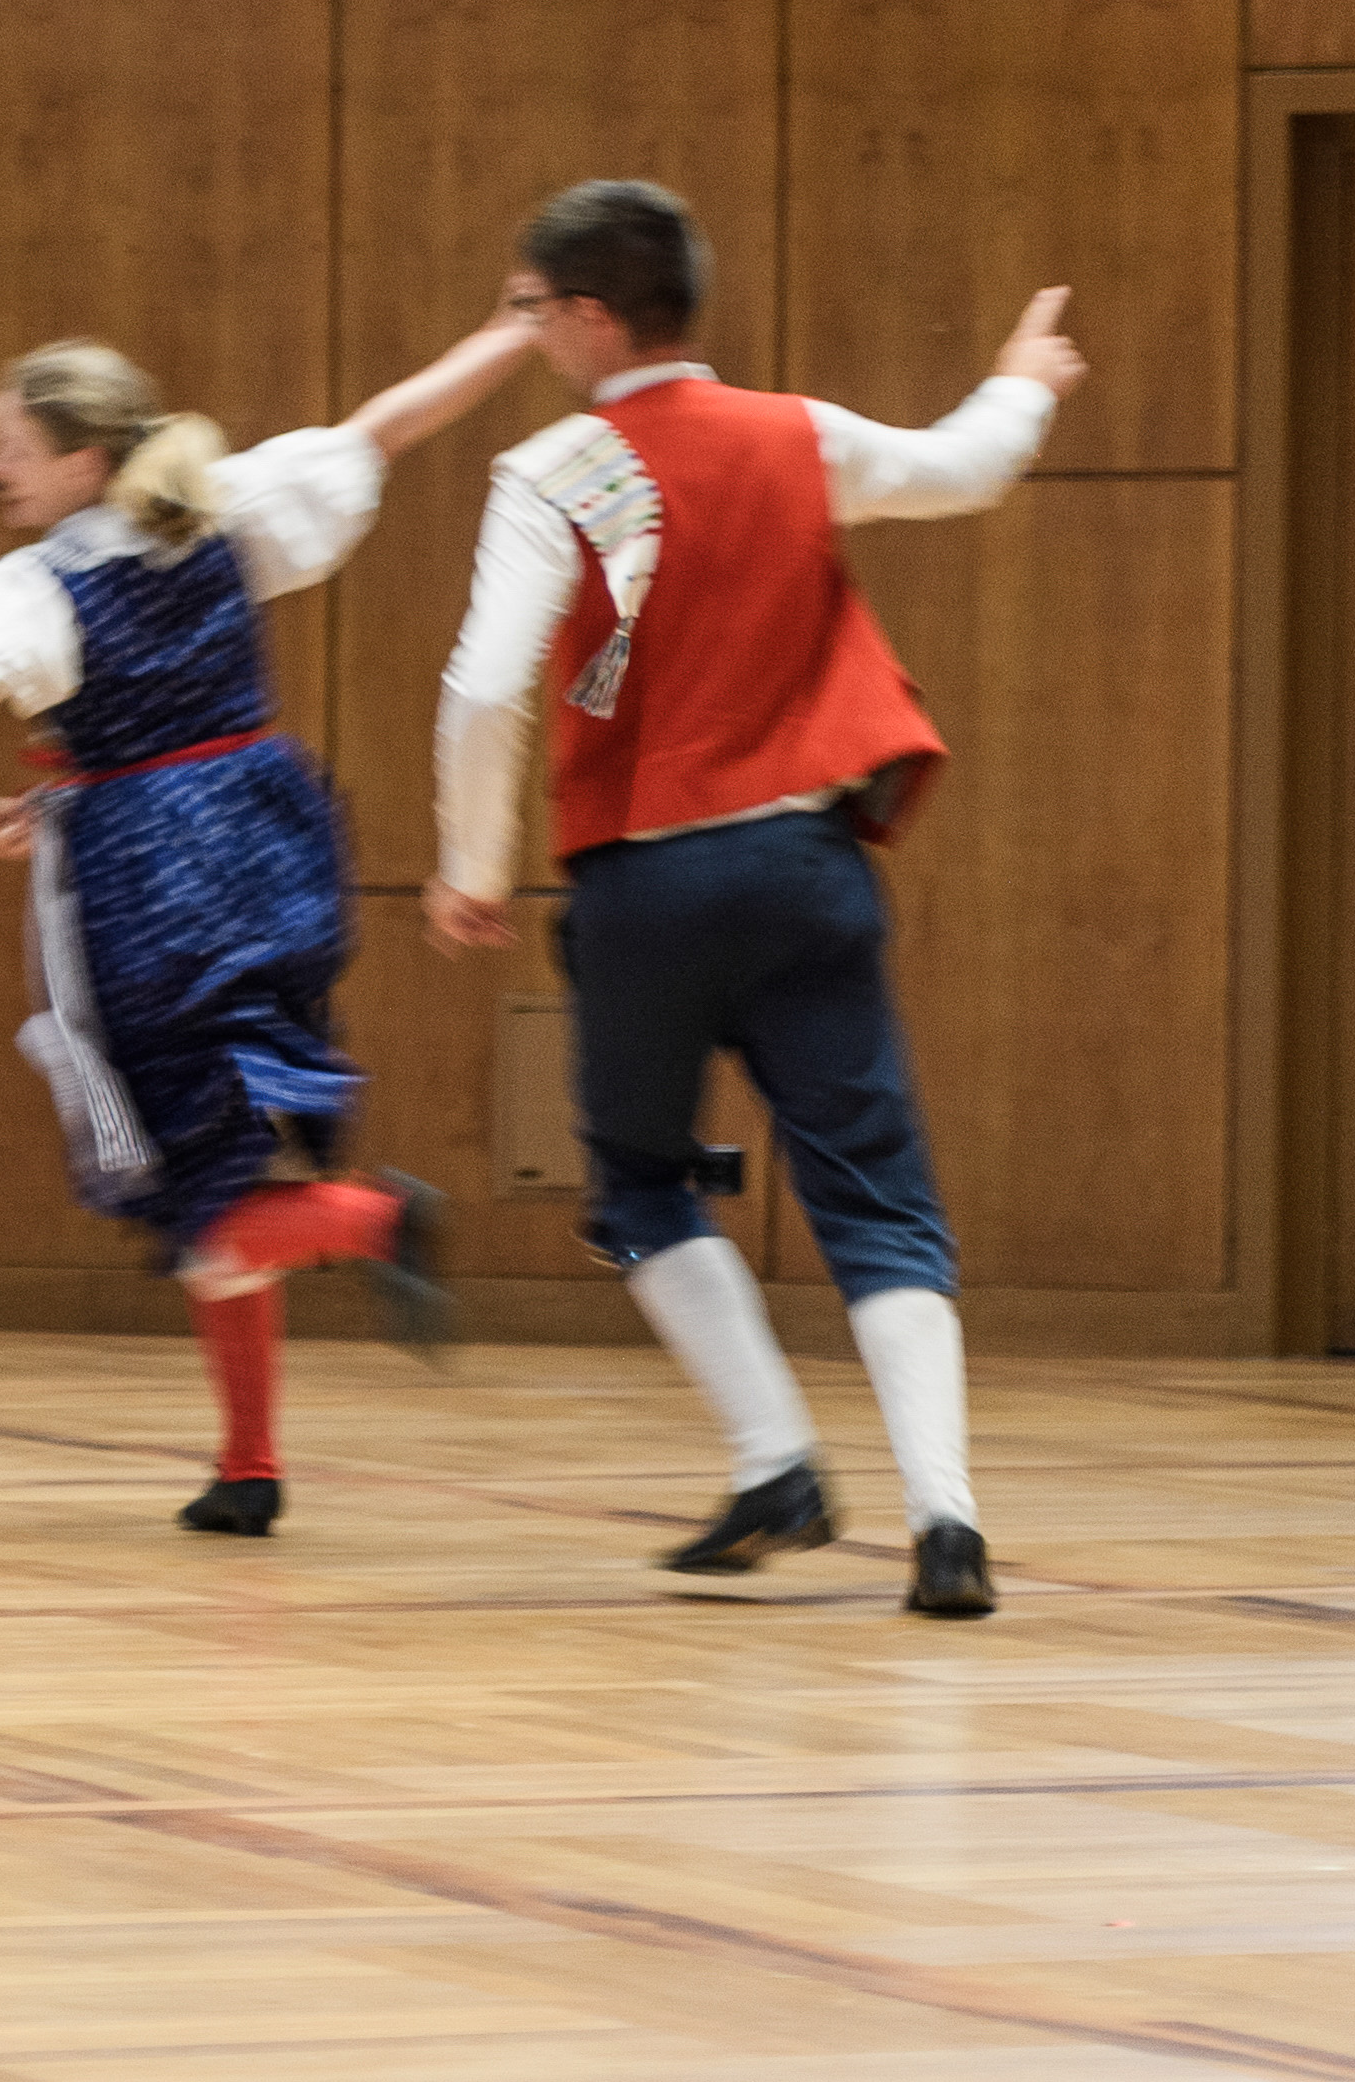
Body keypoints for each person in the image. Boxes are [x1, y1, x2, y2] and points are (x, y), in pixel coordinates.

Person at [425, 179, 1087, 1619]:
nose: (530, 334)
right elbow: (964, 467)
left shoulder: (557, 470)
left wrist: (470, 865)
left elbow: (482, 681)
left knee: (637, 1179)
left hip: (646, 881)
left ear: (593, 313)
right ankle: (945, 1519)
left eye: (534, 309)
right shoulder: (798, 435)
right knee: (874, 1192)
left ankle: (774, 1458)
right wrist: (1016, 383)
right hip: (806, 871)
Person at [0, 320, 534, 1536]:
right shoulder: (224, 509)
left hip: (136, 876)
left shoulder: (30, 586)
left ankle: (373, 1220)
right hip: (264, 841)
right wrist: (513, 331)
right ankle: (247, 1464)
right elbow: (387, 425)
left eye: (9, 447)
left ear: (79, 461)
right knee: (225, 1162)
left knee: (183, 1179)